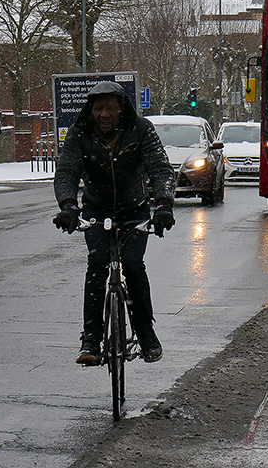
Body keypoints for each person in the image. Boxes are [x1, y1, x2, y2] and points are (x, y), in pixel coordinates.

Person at [53, 82, 176, 365]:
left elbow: (160, 168)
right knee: (97, 265)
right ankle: (91, 340)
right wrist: (68, 207)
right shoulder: (79, 133)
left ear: (122, 108)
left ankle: (146, 335)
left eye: (110, 107)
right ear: (91, 110)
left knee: (133, 266)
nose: (103, 114)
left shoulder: (141, 129)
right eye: (98, 108)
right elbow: (67, 172)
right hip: (96, 210)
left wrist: (163, 206)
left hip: (134, 210)